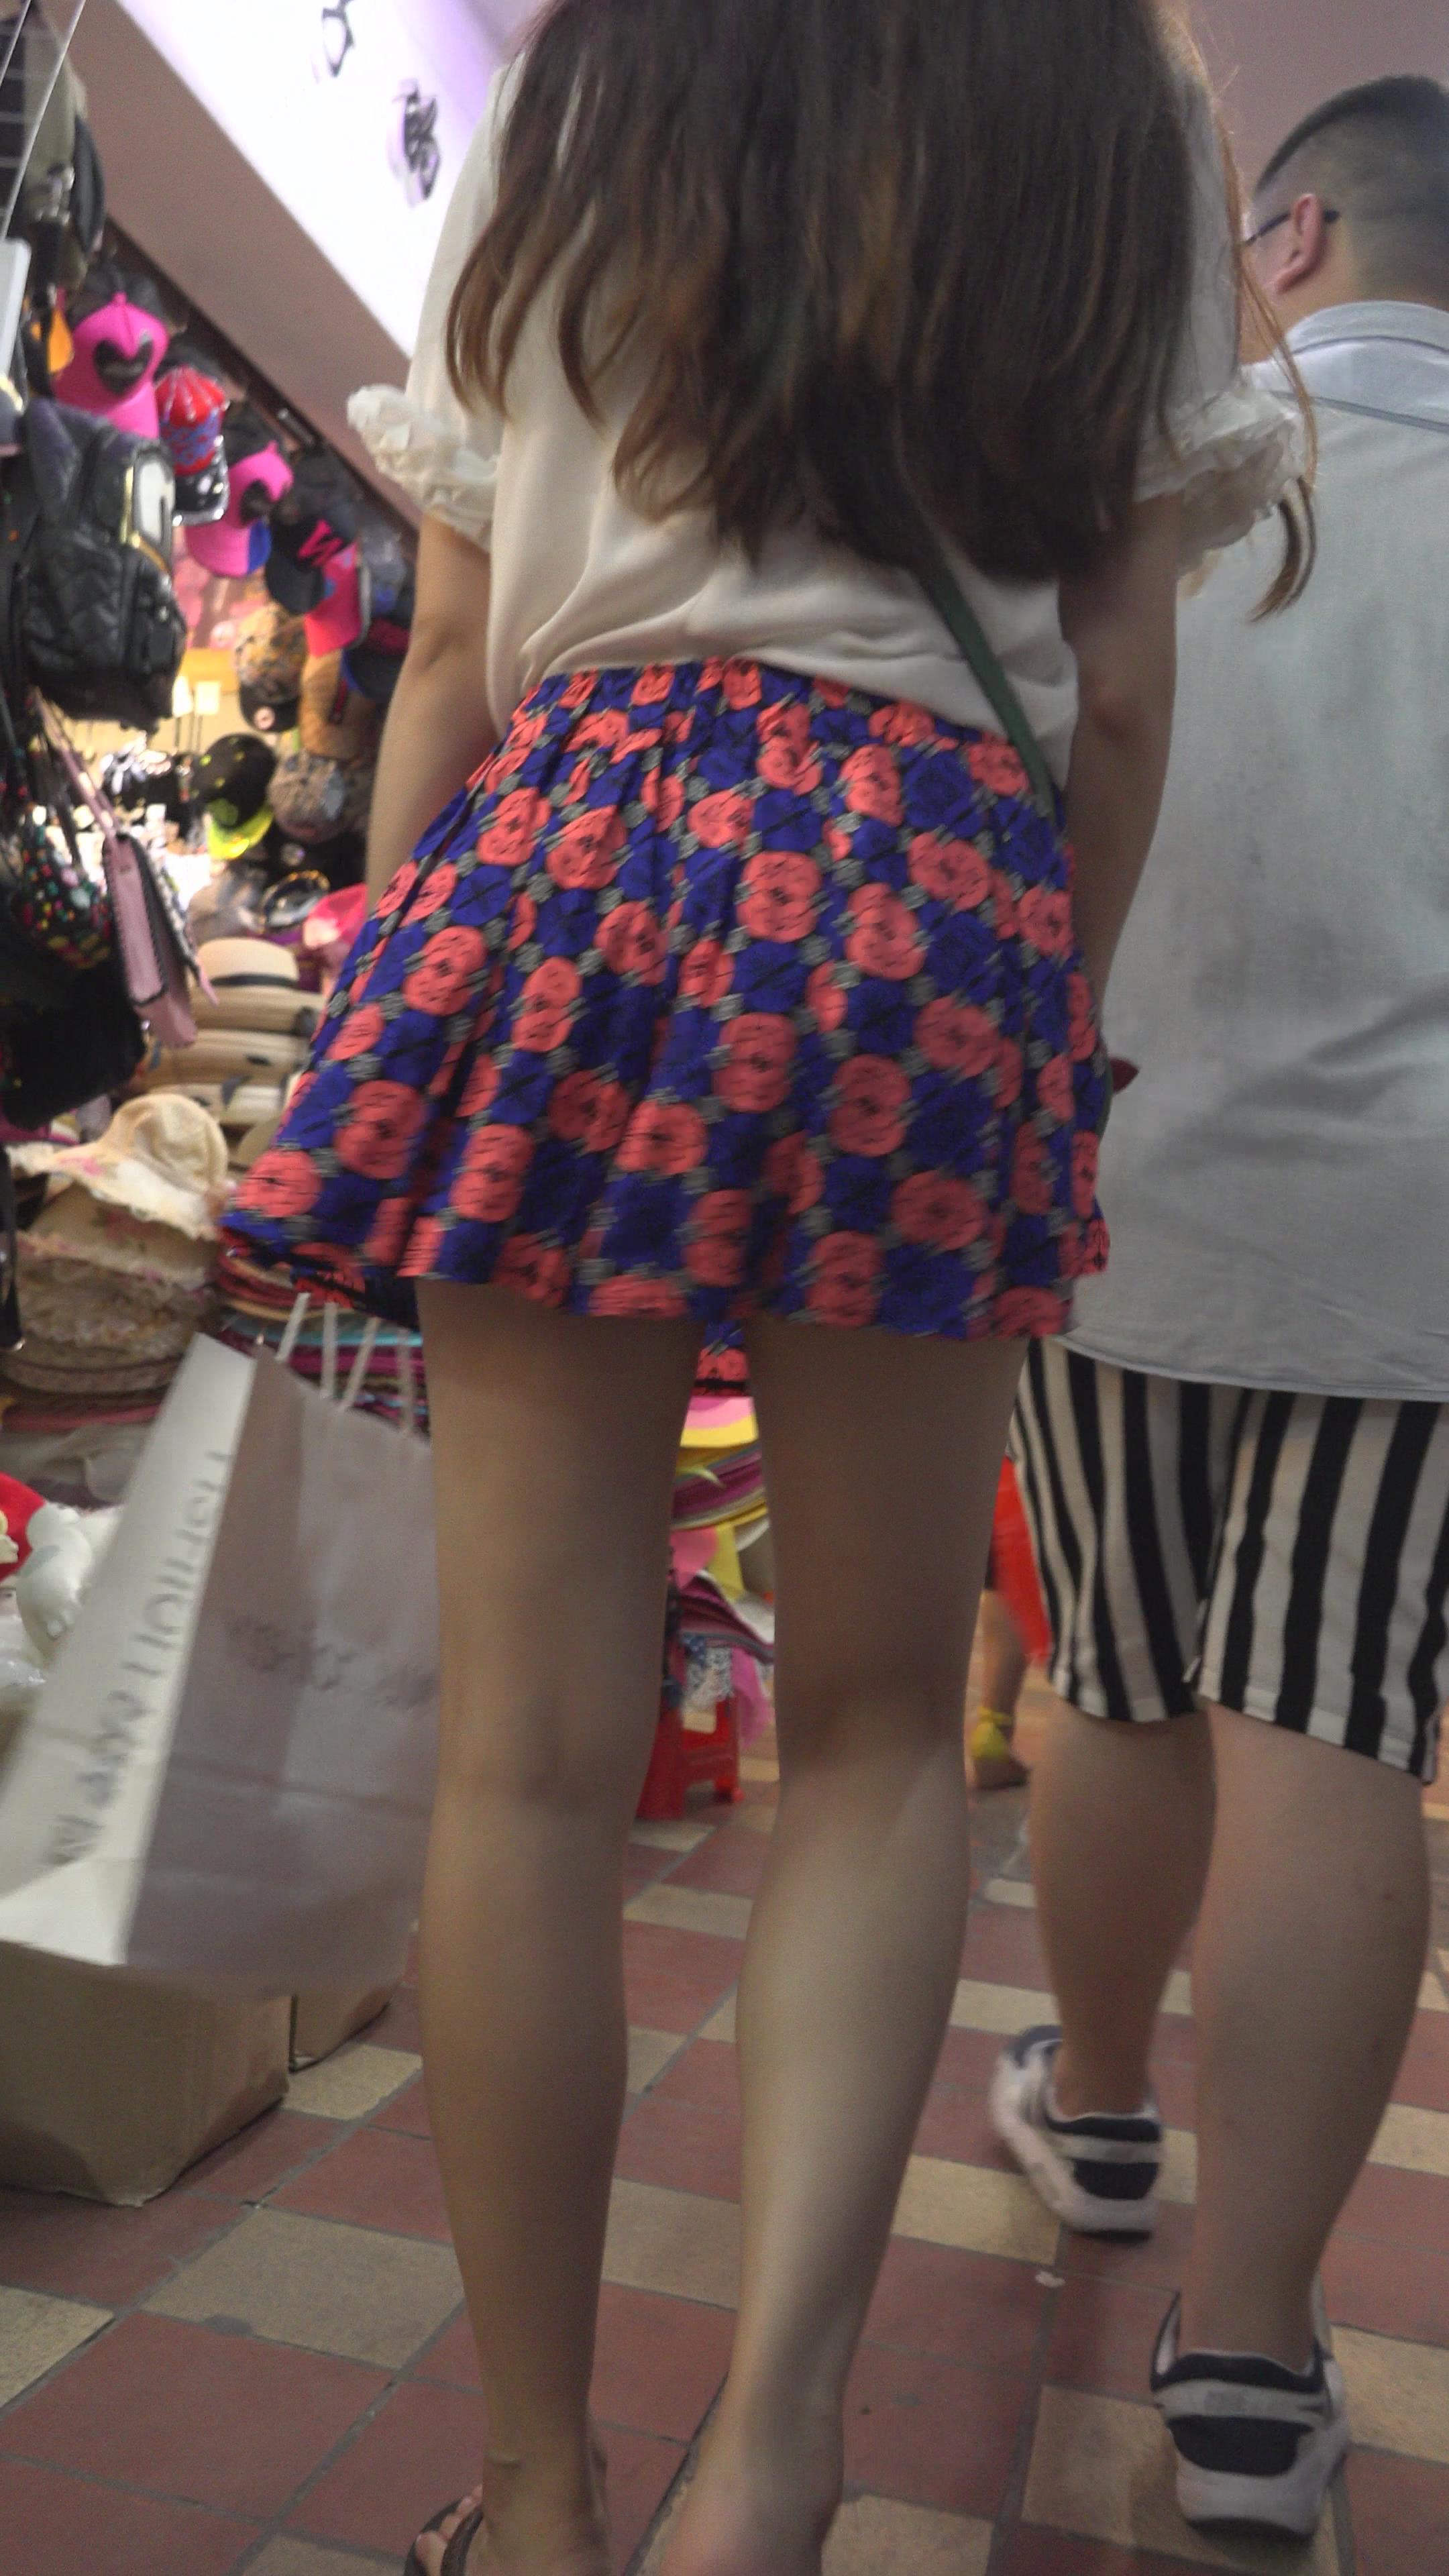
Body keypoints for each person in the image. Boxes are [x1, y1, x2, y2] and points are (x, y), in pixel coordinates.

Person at [227, 5, 1301, 2570]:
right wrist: (1031, 1015)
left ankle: (537, 2490)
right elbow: (1118, 692)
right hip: (934, 881)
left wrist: (393, 1021)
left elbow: (454, 653)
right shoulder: (1119, 95)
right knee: (879, 1735)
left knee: (525, 1751)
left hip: (574, 847)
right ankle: (775, 2463)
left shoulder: (584, 72)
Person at [992, 73, 1449, 2549]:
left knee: (1114, 1671)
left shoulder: (1154, 474)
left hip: (1130, 1172)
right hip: (1420, 1234)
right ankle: (1255, 2364)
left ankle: (1095, 2112)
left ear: (1287, 237)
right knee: (1335, 1723)